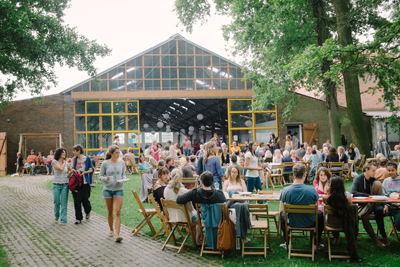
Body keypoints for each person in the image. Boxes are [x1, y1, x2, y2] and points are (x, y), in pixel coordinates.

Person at [279, 163, 323, 249]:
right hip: (309, 222)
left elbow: (283, 204)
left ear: (293, 175)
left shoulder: (286, 190)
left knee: (282, 214)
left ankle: (287, 242)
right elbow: (316, 206)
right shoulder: (311, 190)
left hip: (292, 222)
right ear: (304, 174)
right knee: (320, 214)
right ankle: (315, 243)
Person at [350, 162, 389, 247]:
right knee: (364, 214)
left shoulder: (373, 180)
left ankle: (378, 237)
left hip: (373, 205)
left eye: (375, 171)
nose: (375, 173)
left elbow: (381, 195)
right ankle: (375, 238)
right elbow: (352, 192)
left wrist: (385, 204)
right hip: (361, 205)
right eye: (373, 171)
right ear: (366, 170)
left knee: (378, 183)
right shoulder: (358, 179)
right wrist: (368, 196)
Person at [164, 168, 200, 244]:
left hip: (172, 217)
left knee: (194, 216)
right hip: (185, 218)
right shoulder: (184, 191)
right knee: (199, 216)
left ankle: (195, 239)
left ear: (171, 177)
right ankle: (197, 240)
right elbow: (190, 208)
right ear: (181, 178)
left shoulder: (166, 190)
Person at [322, 176, 356, 254]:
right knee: (338, 215)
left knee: (332, 216)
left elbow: (330, 199)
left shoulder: (325, 198)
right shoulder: (347, 198)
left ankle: (336, 238)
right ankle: (337, 238)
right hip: (344, 224)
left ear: (331, 186)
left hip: (330, 224)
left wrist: (328, 192)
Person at [98, 145, 126, 242]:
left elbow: (123, 174)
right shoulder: (105, 163)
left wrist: (124, 179)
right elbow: (100, 176)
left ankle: (117, 235)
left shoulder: (122, 163)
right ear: (111, 154)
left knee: (117, 211)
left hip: (119, 189)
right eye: (116, 153)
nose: (118, 154)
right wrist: (106, 179)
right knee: (110, 211)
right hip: (108, 190)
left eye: (119, 153)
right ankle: (111, 230)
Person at [71, 144, 94, 224]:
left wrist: (85, 172)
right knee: (77, 200)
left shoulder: (87, 158)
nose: (73, 152)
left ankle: (87, 211)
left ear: (79, 151)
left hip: (85, 182)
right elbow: (72, 168)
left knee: (85, 199)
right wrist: (73, 170)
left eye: (75, 151)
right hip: (76, 183)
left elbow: (91, 169)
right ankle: (78, 218)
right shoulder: (74, 159)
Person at [51, 148, 71, 227]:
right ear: (59, 153)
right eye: (63, 153)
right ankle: (56, 214)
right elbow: (60, 168)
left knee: (64, 203)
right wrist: (65, 162)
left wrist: (70, 173)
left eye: (65, 153)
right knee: (56, 202)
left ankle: (63, 220)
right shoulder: (54, 162)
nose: (64, 154)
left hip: (65, 185)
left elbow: (66, 173)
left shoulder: (66, 163)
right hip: (56, 185)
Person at [381, 161, 400, 232]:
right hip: (389, 206)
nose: (391, 172)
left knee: (398, 225)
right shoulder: (386, 181)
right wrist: (386, 205)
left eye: (393, 170)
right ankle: (382, 234)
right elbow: (383, 195)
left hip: (398, 207)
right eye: (389, 170)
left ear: (396, 170)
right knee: (378, 211)